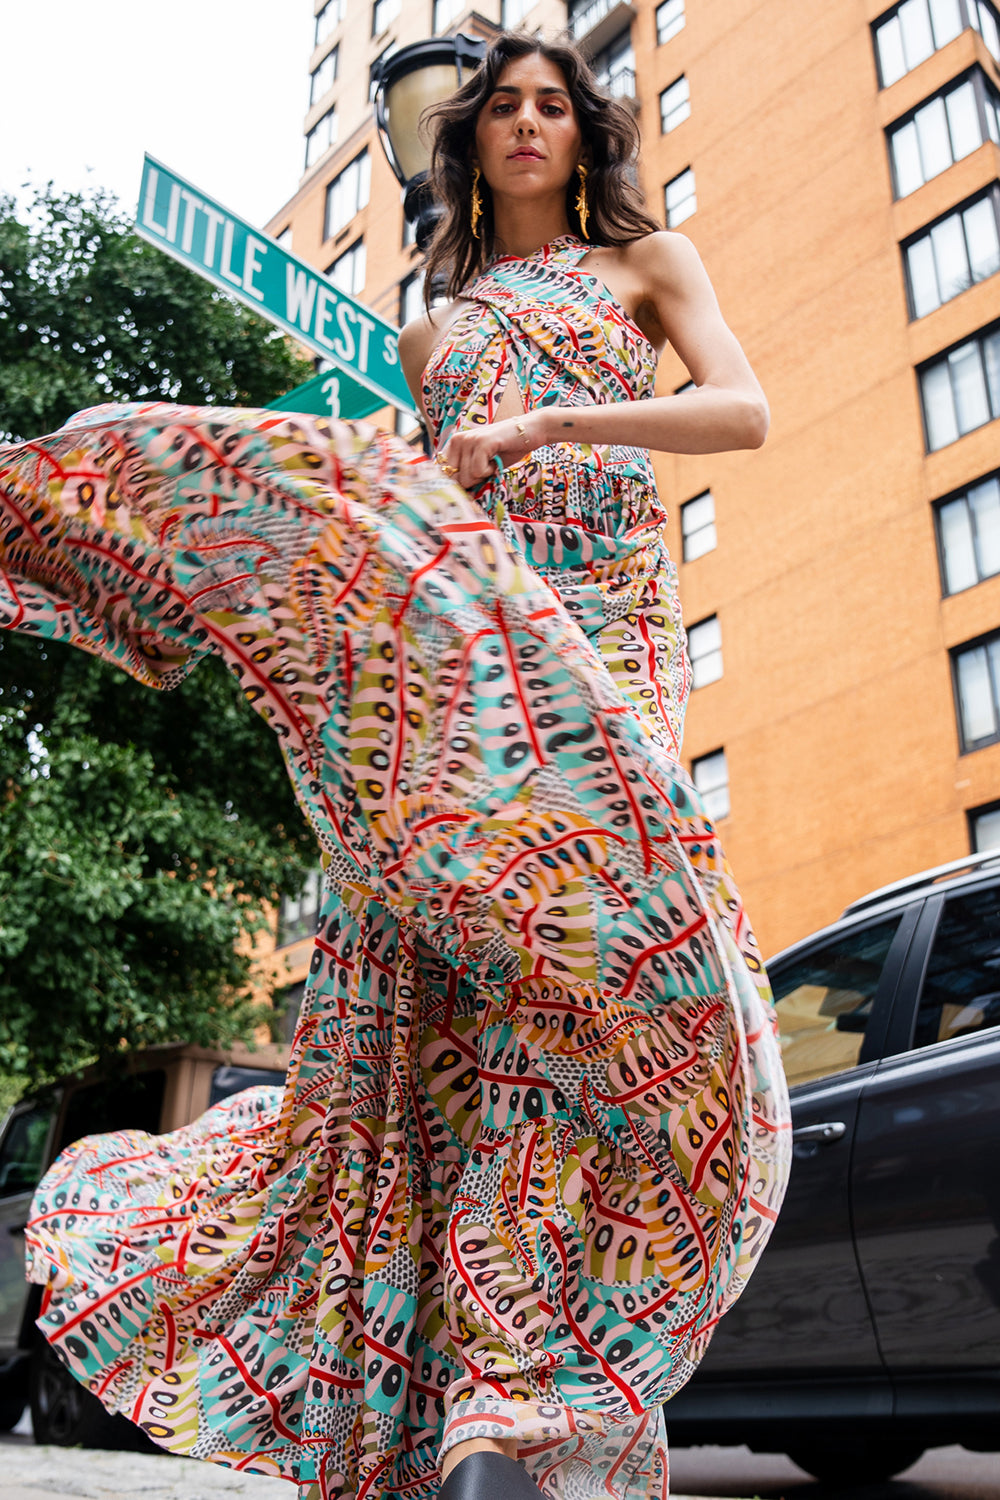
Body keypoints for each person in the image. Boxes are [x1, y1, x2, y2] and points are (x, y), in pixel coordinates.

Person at [0, 30, 789, 1500]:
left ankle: (540, 1384)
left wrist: (553, 418)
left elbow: (742, 411)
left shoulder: (649, 265)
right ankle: (487, 1396)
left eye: (558, 105)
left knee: (582, 980)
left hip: (603, 642)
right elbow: (421, 500)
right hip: (477, 658)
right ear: (473, 142)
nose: (534, 125)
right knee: (462, 1011)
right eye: (506, 109)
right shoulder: (439, 326)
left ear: (586, 131)